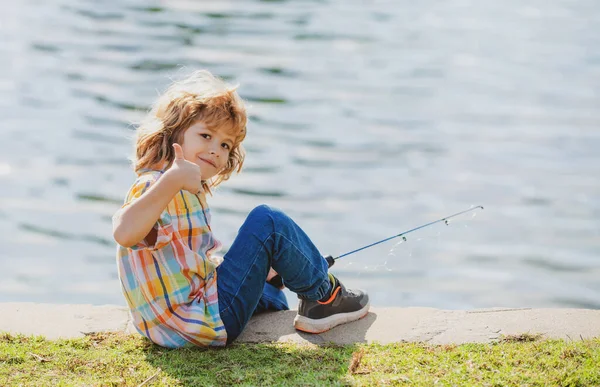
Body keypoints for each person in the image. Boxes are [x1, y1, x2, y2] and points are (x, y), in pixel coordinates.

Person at [112, 70, 369, 348]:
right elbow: (124, 233)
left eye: (225, 144)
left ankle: (278, 283)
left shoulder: (186, 191)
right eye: (206, 135)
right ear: (173, 132)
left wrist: (259, 268)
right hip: (199, 321)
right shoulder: (156, 186)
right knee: (268, 221)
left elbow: (186, 263)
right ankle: (325, 297)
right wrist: (172, 179)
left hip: (176, 324)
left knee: (271, 292)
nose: (215, 150)